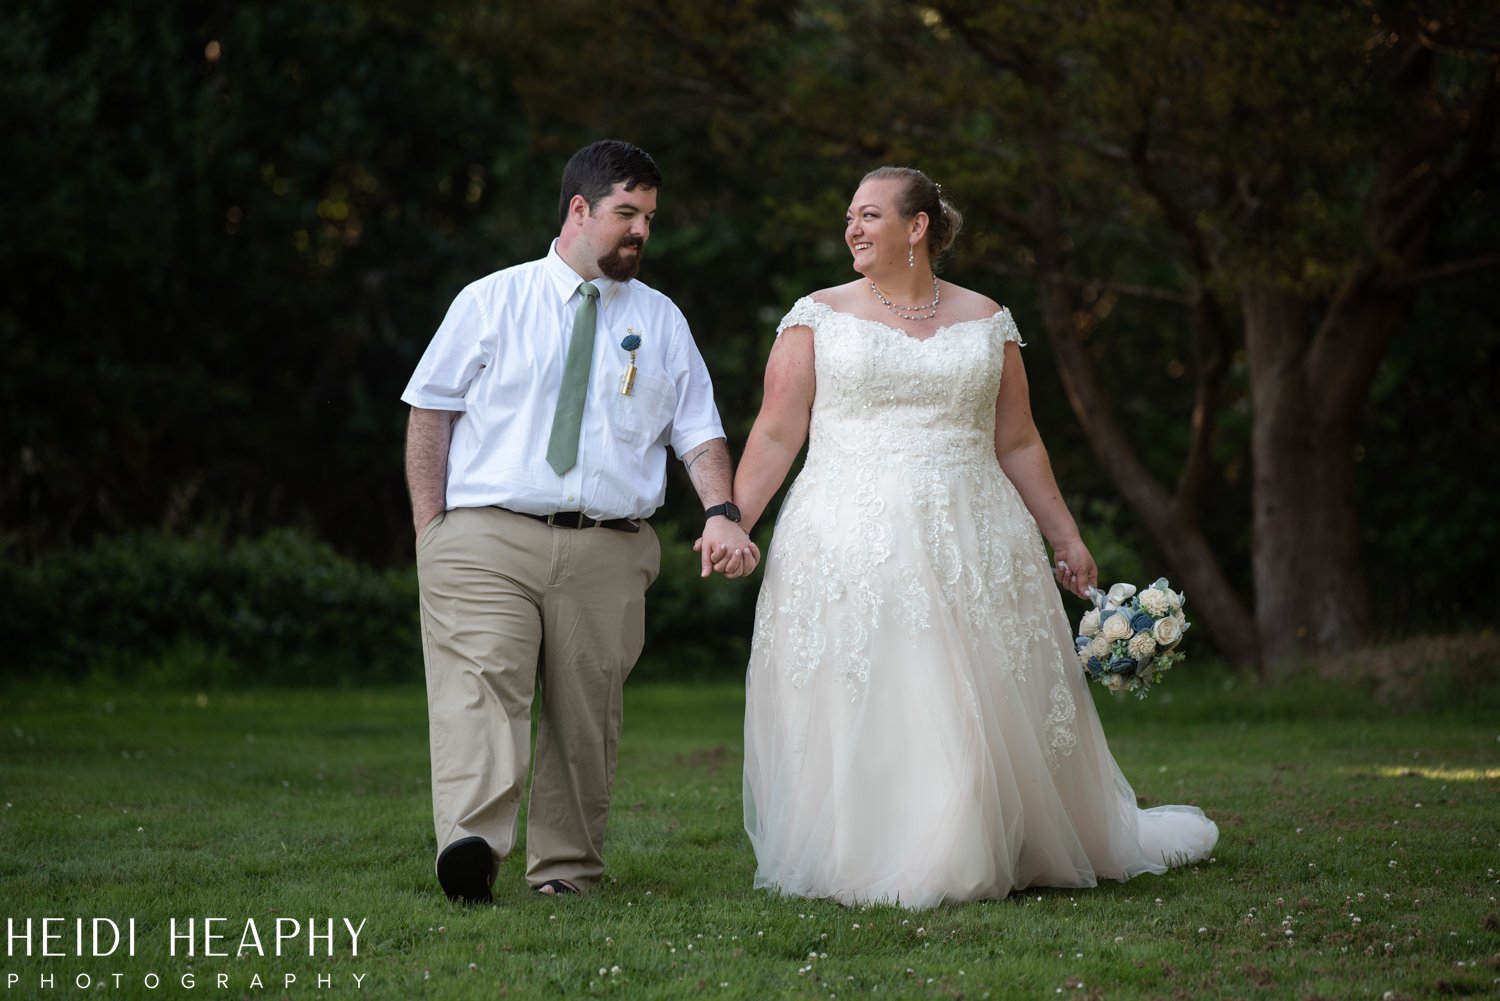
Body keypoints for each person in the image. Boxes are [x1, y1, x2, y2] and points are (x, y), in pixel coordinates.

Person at [728, 166, 1218, 908]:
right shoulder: (817, 316)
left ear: (917, 226)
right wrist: (732, 520)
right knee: (897, 681)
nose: (851, 230)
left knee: (975, 692)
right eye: (849, 218)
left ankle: (997, 837)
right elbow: (775, 430)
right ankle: (891, 847)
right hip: (851, 530)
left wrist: (1065, 536)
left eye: (868, 215)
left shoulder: (988, 318)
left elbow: (1018, 441)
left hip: (977, 529)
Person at [402, 140, 758, 904]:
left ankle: (565, 870)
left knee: (585, 717)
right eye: (626, 214)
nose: (640, 233)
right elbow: (430, 411)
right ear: (577, 209)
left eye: (650, 219)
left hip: (609, 547)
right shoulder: (490, 300)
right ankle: (470, 843)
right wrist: (431, 530)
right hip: (486, 534)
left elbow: (698, 432)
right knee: (481, 685)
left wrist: (722, 511)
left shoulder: (661, 320)